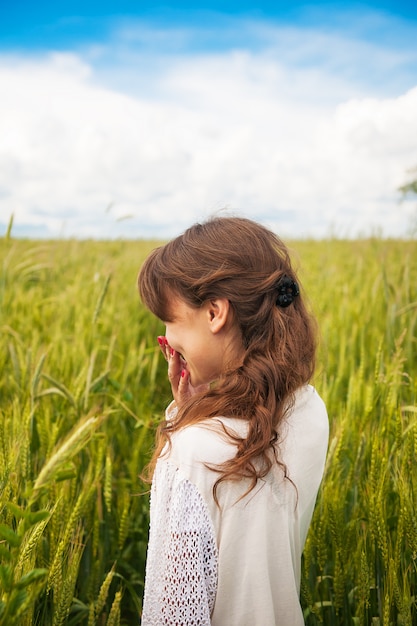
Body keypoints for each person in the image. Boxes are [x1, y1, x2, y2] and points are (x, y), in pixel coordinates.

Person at [137, 216, 329, 626]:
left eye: (170, 319)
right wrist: (195, 410)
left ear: (214, 312)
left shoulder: (191, 453)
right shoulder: (310, 408)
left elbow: (174, 615)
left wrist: (184, 425)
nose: (167, 338)